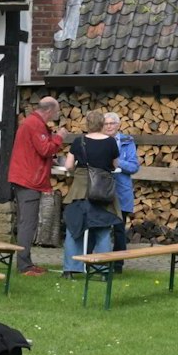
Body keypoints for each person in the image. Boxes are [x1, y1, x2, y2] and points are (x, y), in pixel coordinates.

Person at [5, 96, 65, 275]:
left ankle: (27, 262)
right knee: (28, 223)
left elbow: (37, 150)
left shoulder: (32, 123)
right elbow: (45, 149)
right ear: (49, 110)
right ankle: (24, 266)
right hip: (29, 179)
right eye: (56, 111)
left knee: (27, 223)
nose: (57, 114)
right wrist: (59, 138)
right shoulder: (35, 124)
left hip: (26, 177)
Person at [60, 110, 122, 277]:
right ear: (102, 124)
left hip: (80, 191)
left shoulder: (78, 141)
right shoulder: (110, 142)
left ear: (87, 124)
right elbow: (115, 165)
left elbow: (68, 166)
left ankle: (70, 269)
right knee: (102, 230)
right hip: (102, 190)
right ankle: (101, 270)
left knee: (74, 229)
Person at [103, 111, 142, 255]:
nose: (109, 126)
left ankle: (118, 264)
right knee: (101, 227)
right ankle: (99, 259)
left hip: (121, 191)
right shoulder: (98, 141)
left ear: (118, 125)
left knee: (119, 229)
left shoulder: (127, 142)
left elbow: (133, 167)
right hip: (102, 190)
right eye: (106, 124)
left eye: (112, 123)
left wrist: (117, 162)